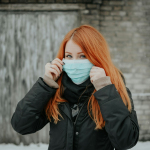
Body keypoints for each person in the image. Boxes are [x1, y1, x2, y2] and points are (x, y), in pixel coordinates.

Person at [11, 25, 139, 150]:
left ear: (97, 57)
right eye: (69, 56)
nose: (75, 62)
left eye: (83, 56)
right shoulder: (56, 92)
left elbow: (125, 141)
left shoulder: (115, 92)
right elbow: (21, 125)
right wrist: (45, 84)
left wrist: (105, 89)